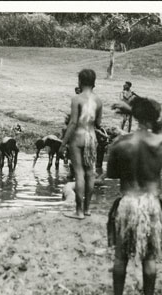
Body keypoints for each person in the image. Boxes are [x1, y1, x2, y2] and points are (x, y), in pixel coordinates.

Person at [107, 97, 162, 295]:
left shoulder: (120, 143)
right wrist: (134, 110)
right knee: (149, 258)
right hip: (152, 204)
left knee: (121, 257)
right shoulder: (160, 139)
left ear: (136, 117)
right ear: (154, 118)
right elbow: (161, 123)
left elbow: (112, 173)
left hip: (128, 202)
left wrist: (132, 111)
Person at [59, 69, 102, 219]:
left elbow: (73, 123)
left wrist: (63, 144)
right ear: (94, 83)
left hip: (78, 138)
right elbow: (98, 123)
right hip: (92, 137)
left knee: (79, 174)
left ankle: (78, 211)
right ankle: (87, 209)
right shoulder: (98, 101)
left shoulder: (76, 99)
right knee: (90, 173)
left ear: (80, 82)